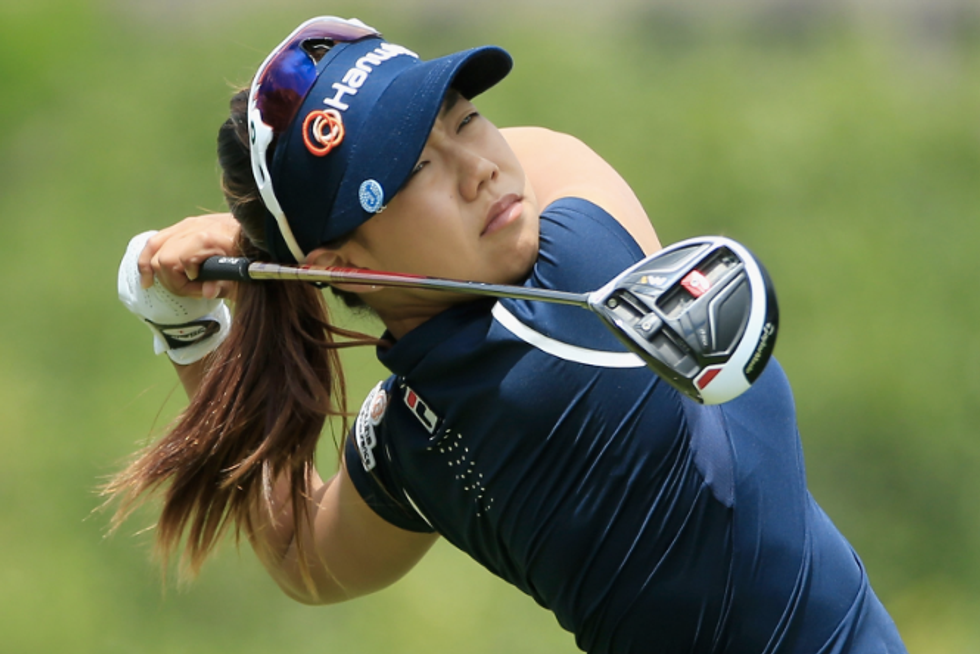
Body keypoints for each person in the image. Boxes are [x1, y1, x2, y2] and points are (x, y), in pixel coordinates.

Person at [108, 16, 908, 654]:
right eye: (417, 168)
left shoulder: (410, 441)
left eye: (467, 119)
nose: (481, 167)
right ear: (344, 265)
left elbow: (303, 558)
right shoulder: (576, 280)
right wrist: (268, 254)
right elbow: (551, 156)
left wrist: (195, 327)